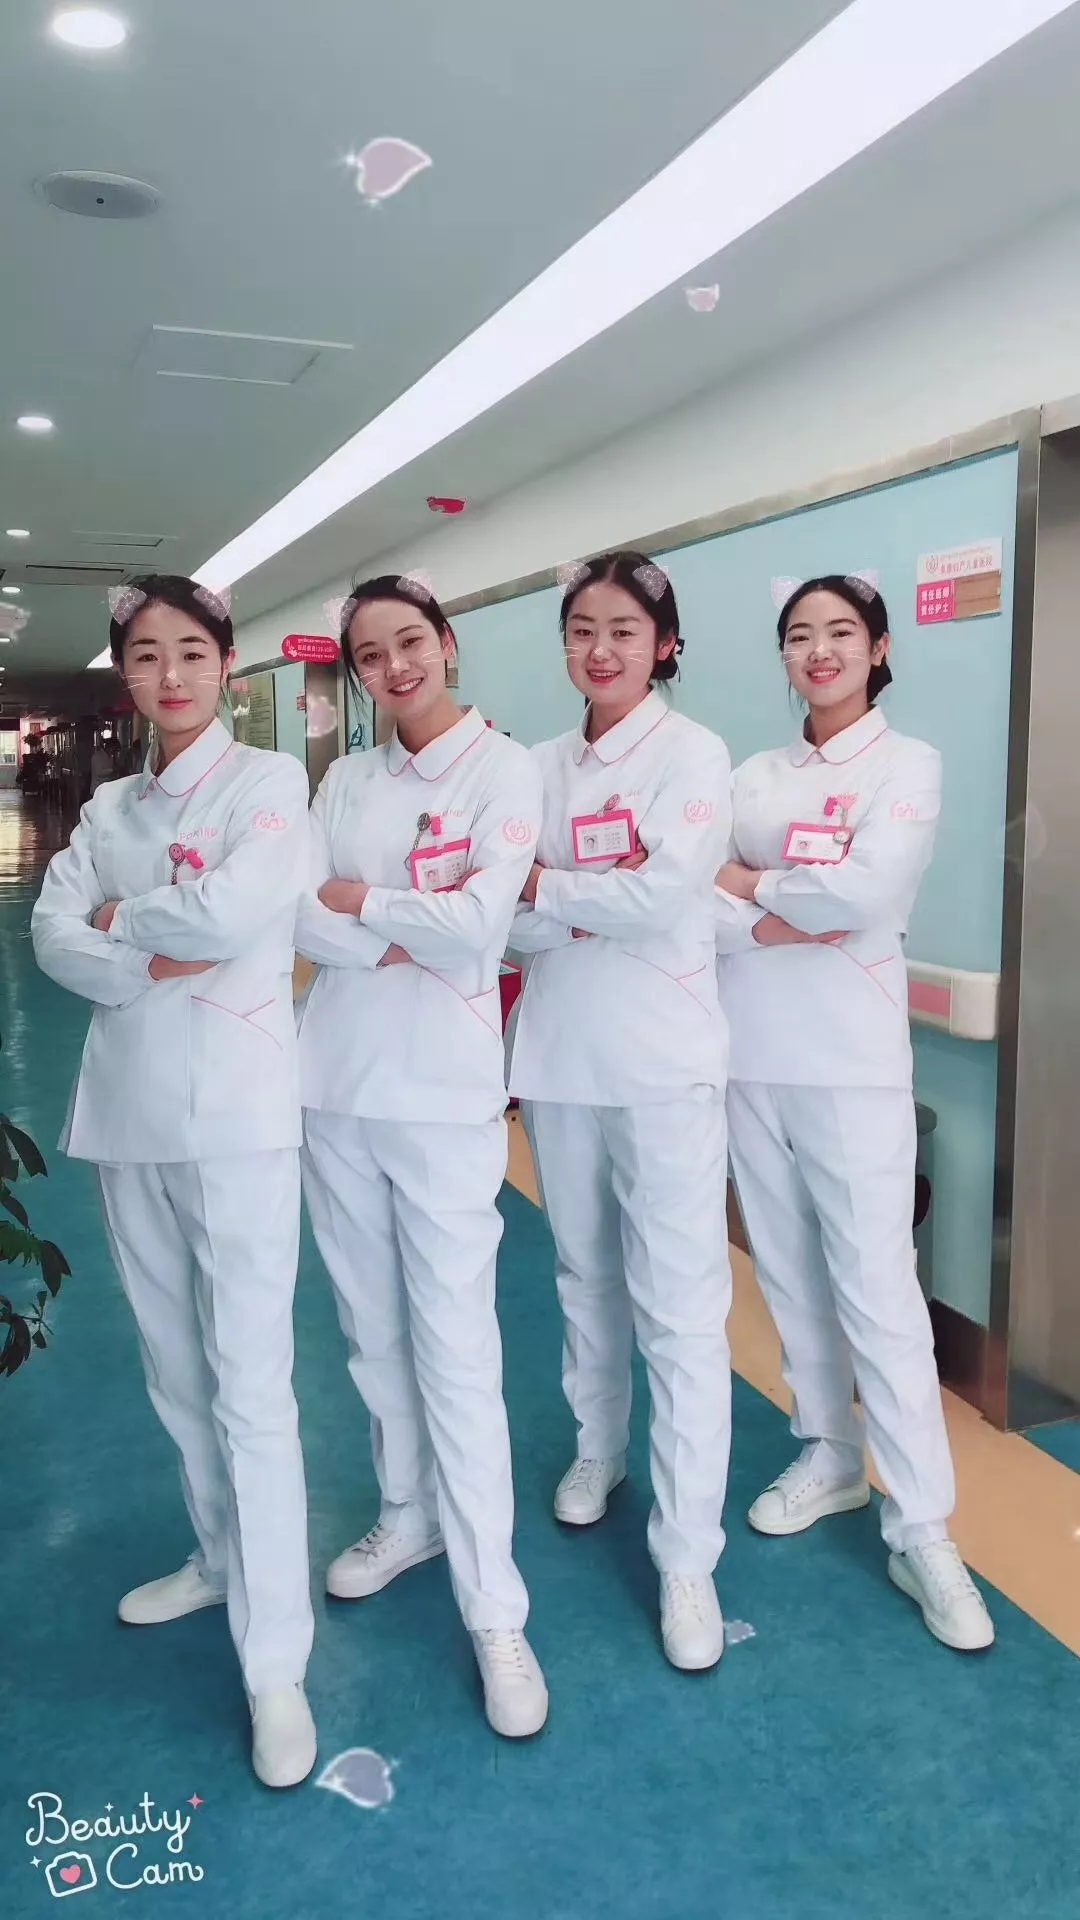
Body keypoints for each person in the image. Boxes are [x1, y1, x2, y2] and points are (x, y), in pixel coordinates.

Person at [31, 574, 318, 1786]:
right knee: (174, 1370)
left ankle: (277, 1662)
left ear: (227, 665)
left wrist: (125, 919)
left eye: (191, 651)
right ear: (126, 674)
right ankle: (216, 1558)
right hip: (128, 1116)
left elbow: (231, 917)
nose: (171, 675)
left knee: (252, 1382)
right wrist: (140, 944)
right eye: (146, 655)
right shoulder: (107, 805)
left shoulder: (272, 785)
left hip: (238, 1115)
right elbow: (51, 936)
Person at [713, 573, 994, 1652]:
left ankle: (923, 1527)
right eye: (799, 635)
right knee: (786, 1273)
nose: (819, 650)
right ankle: (828, 1453)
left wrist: (754, 887)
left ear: (879, 650)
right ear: (784, 657)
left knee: (878, 1291)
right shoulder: (751, 776)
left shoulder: (907, 765)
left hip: (852, 1065)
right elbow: (698, 895)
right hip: (751, 1059)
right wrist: (784, 908)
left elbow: (866, 897)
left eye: (840, 632)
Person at [295, 572, 549, 1740]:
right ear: (355, 673)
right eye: (369, 655)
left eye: (410, 643)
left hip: (445, 1097)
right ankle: (409, 1512)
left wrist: (364, 907)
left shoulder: (505, 771)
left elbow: (482, 925)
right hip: (334, 1088)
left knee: (456, 1344)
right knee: (369, 1328)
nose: (393, 667)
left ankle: (497, 1611)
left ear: (446, 644)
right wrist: (402, 921)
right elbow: (298, 913)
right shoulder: (345, 779)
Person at [508, 551, 734, 1673]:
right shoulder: (535, 768)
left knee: (681, 1306)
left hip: (663, 1063)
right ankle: (600, 1446)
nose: (601, 651)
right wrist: (581, 895)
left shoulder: (694, 756)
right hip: (559, 1059)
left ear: (664, 645)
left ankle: (688, 1554)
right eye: (582, 630)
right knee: (582, 1273)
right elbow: (501, 920)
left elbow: (661, 895)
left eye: (624, 632)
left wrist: (551, 887)